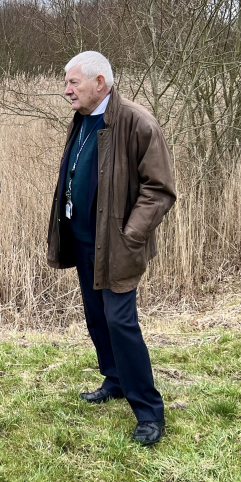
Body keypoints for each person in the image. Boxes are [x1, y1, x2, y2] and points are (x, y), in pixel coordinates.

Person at [47, 51, 176, 445]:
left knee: (121, 322)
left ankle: (149, 411)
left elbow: (159, 190)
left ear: (99, 82)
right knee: (96, 317)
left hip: (118, 247)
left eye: (73, 83)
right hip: (84, 242)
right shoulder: (84, 120)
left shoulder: (137, 122)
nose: (66, 90)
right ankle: (115, 379)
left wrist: (130, 235)